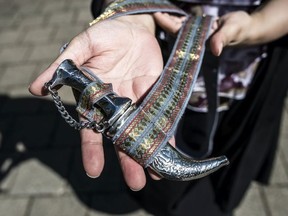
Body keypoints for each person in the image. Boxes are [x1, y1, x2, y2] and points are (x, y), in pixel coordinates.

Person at [29, 0, 288, 215]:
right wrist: (133, 16)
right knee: (167, 193)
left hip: (251, 88)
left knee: (233, 173)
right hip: (153, 80)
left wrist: (258, 24)